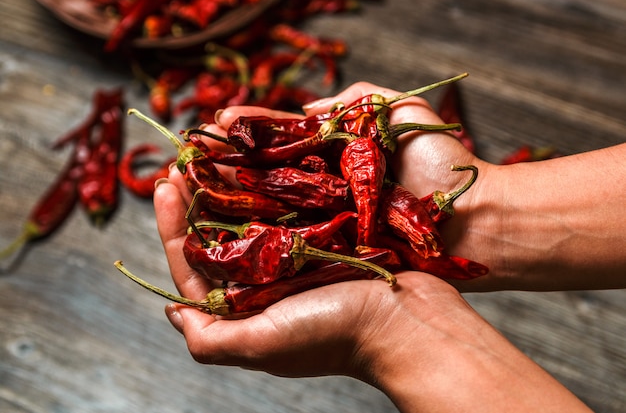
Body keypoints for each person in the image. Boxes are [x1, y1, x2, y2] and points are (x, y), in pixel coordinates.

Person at [153, 81, 626, 412]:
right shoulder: (334, 168)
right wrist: (483, 210)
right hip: (338, 221)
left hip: (346, 223)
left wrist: (383, 327)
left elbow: (319, 187)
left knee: (345, 213)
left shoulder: (352, 173)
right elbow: (270, 166)